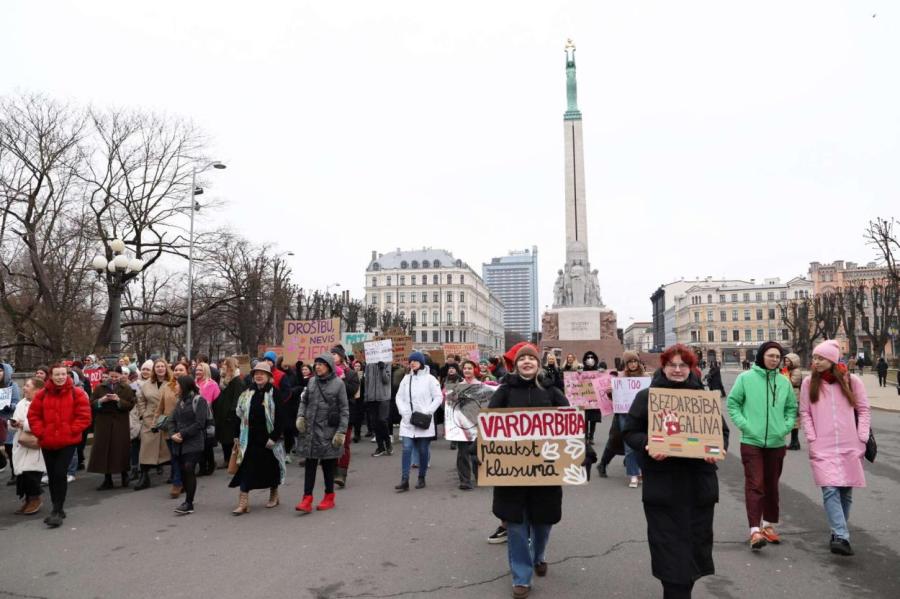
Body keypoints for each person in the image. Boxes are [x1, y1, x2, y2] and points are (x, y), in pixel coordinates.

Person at [622, 344, 729, 599]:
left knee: (692, 552)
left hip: (697, 488)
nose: (678, 370)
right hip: (663, 488)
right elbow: (630, 432)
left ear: (690, 368)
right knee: (669, 553)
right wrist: (648, 445)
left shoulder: (702, 397)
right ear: (664, 367)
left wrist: (715, 449)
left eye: (683, 365)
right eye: (673, 365)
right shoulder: (648, 397)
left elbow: (721, 432)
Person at [488, 344, 569, 599]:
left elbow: (570, 424)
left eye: (531, 359)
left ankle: (539, 555)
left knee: (543, 523)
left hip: (546, 470)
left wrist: (582, 453)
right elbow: (488, 425)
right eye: (522, 358)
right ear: (516, 364)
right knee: (516, 525)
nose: (526, 362)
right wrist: (483, 454)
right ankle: (521, 577)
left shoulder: (552, 391)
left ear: (538, 364)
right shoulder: (504, 392)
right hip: (512, 472)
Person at [799, 340, 870, 556]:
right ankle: (841, 536)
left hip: (850, 444)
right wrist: (812, 437)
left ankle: (837, 531)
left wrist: (862, 437)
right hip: (823, 446)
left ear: (831, 360)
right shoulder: (808, 382)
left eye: (820, 358)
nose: (816, 362)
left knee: (845, 491)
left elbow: (864, 410)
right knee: (830, 489)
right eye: (815, 358)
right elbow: (805, 412)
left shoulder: (852, 381)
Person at [727, 341, 797, 550]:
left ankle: (768, 525)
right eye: (771, 356)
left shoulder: (784, 382)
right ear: (761, 356)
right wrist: (745, 425)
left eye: (778, 357)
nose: (774, 360)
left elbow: (791, 409)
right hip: (751, 441)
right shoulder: (745, 379)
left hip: (776, 442)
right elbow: (733, 403)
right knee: (755, 483)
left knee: (772, 485)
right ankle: (754, 531)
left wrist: (784, 428)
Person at [27, 363, 92, 527]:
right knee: (51, 474)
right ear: (51, 376)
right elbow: (33, 415)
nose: (61, 377)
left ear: (67, 375)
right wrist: (41, 432)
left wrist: (71, 430)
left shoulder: (77, 393)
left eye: (63, 374)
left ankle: (57, 509)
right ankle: (58, 508)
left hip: (67, 441)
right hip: (47, 441)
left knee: (59, 473)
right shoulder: (42, 394)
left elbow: (84, 416)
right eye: (57, 374)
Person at [229, 361, 286, 515]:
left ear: (269, 376)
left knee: (271, 468)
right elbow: (238, 416)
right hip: (249, 439)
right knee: (246, 469)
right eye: (256, 374)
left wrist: (273, 438)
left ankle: (274, 494)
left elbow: (281, 417)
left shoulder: (275, 393)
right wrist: (236, 435)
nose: (259, 376)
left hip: (268, 439)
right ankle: (243, 502)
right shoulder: (247, 394)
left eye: (262, 373)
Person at [294, 353, 349, 513]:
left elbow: (344, 410)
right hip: (310, 431)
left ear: (329, 366)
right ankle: (307, 498)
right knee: (310, 465)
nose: (317, 366)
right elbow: (304, 401)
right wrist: (300, 416)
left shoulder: (338, 384)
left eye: (321, 364)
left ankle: (329, 496)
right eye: (316, 363)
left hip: (328, 432)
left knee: (327, 466)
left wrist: (341, 432)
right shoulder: (311, 381)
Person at [394, 351, 442, 492]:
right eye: (410, 361)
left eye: (415, 361)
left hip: (423, 421)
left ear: (421, 363)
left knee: (422, 450)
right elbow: (399, 397)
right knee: (406, 448)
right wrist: (404, 412)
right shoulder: (406, 379)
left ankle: (421, 477)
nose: (412, 363)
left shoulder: (430, 379)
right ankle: (405, 480)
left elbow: (438, 397)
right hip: (408, 421)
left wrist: (427, 412)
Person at [598, 351, 644, 486]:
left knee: (640, 443)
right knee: (627, 445)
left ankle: (639, 471)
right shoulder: (620, 377)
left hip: (640, 415)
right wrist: (610, 394)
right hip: (624, 415)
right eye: (630, 362)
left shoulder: (645, 377)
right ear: (626, 364)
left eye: (635, 361)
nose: (633, 364)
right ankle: (633, 474)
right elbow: (616, 398)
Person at [89, 366, 136, 490]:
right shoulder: (100, 387)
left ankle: (124, 475)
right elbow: (92, 404)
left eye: (116, 376)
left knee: (120, 449)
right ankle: (107, 479)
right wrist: (101, 400)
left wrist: (118, 400)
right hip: (103, 423)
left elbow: (130, 405)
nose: (114, 379)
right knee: (105, 450)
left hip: (120, 422)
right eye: (111, 376)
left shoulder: (126, 388)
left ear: (121, 376)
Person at [169, 375, 207, 515]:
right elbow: (171, 420)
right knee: (184, 470)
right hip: (179, 443)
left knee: (189, 467)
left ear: (184, 386)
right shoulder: (180, 402)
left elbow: (200, 423)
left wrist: (182, 434)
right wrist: (173, 433)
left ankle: (189, 502)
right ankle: (187, 500)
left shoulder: (199, 400)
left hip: (194, 442)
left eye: (178, 384)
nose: (175, 387)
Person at [133, 360, 172, 491]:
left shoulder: (172, 383)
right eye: (157, 367)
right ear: (154, 369)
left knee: (168, 449)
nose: (160, 369)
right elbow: (141, 400)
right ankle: (144, 477)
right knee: (145, 448)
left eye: (162, 366)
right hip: (149, 420)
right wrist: (143, 414)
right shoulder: (147, 384)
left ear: (166, 368)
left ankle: (174, 474)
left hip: (166, 419)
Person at [10, 377, 46, 515]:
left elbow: (43, 424)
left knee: (31, 473)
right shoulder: (21, 403)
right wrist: (13, 424)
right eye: (24, 385)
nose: (24, 388)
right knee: (22, 475)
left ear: (37, 389)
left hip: (34, 443)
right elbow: (13, 423)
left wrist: (23, 425)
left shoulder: (43, 404)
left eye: (27, 386)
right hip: (20, 443)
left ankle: (35, 499)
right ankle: (27, 500)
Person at [330, 345, 359, 487]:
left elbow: (352, 391)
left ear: (341, 356)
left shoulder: (350, 373)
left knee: (344, 443)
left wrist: (341, 379)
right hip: (329, 414)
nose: (333, 356)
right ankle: (331, 471)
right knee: (331, 443)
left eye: (335, 354)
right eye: (331, 354)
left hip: (345, 413)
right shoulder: (324, 372)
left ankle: (341, 473)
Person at [157, 361, 187, 498]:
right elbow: (160, 407)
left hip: (187, 428)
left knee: (185, 458)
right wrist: (155, 423)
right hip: (170, 427)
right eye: (176, 370)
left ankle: (185, 481)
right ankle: (177, 483)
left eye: (181, 370)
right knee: (175, 456)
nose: (177, 372)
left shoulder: (192, 387)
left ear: (187, 372)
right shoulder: (167, 387)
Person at [213, 357, 243, 470]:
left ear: (230, 367)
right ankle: (227, 459)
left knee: (229, 439)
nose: (222, 366)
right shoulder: (224, 380)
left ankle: (231, 460)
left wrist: (231, 414)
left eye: (225, 365)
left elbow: (237, 399)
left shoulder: (237, 381)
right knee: (224, 439)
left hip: (230, 416)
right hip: (222, 415)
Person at [195, 362, 220, 475]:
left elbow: (211, 401)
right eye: (197, 370)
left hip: (207, 416)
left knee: (207, 443)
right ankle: (202, 466)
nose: (198, 372)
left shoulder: (211, 384)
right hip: (195, 415)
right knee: (199, 443)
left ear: (205, 371)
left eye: (200, 370)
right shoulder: (194, 383)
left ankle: (210, 464)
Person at [364, 358, 393, 457]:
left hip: (383, 397)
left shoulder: (387, 362)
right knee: (374, 423)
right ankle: (380, 447)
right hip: (371, 397)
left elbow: (386, 380)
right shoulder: (369, 363)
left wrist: (382, 368)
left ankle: (388, 443)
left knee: (382, 420)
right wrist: (366, 396)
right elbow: (366, 380)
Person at [1, 361, 22, 486]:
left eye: (0, 370)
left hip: (7, 420)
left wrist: (10, 407)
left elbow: (16, 403)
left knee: (10, 449)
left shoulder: (12, 385)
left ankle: (16, 473)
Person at [782, 353, 803, 451]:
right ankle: (793, 442)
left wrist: (784, 376)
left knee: (794, 419)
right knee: (790, 419)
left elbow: (792, 382)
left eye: (788, 361)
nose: (786, 362)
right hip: (787, 395)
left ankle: (795, 442)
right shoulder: (788, 370)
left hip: (795, 396)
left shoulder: (796, 371)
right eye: (785, 361)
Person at [581, 351, 602, 444]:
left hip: (595, 400)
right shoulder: (582, 372)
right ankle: (585, 437)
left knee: (593, 420)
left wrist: (603, 373)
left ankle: (591, 436)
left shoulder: (598, 371)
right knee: (585, 419)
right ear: (585, 360)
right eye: (588, 357)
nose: (590, 359)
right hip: (585, 400)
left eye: (592, 357)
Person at [349, 360, 366, 443]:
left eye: (359, 366)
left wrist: (362, 379)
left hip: (360, 400)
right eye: (355, 366)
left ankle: (357, 434)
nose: (357, 367)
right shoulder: (351, 375)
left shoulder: (363, 376)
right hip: (352, 399)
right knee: (352, 418)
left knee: (358, 418)